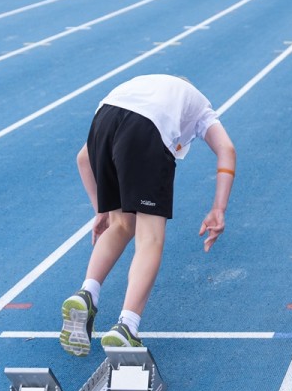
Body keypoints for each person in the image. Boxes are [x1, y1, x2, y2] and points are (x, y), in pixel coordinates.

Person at [60, 75, 236, 355]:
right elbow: (226, 149)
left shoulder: (140, 87)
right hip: (145, 130)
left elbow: (83, 159)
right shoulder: (199, 105)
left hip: (103, 119)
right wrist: (219, 209)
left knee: (120, 225)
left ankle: (87, 294)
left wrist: (102, 209)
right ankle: (127, 326)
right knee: (150, 239)